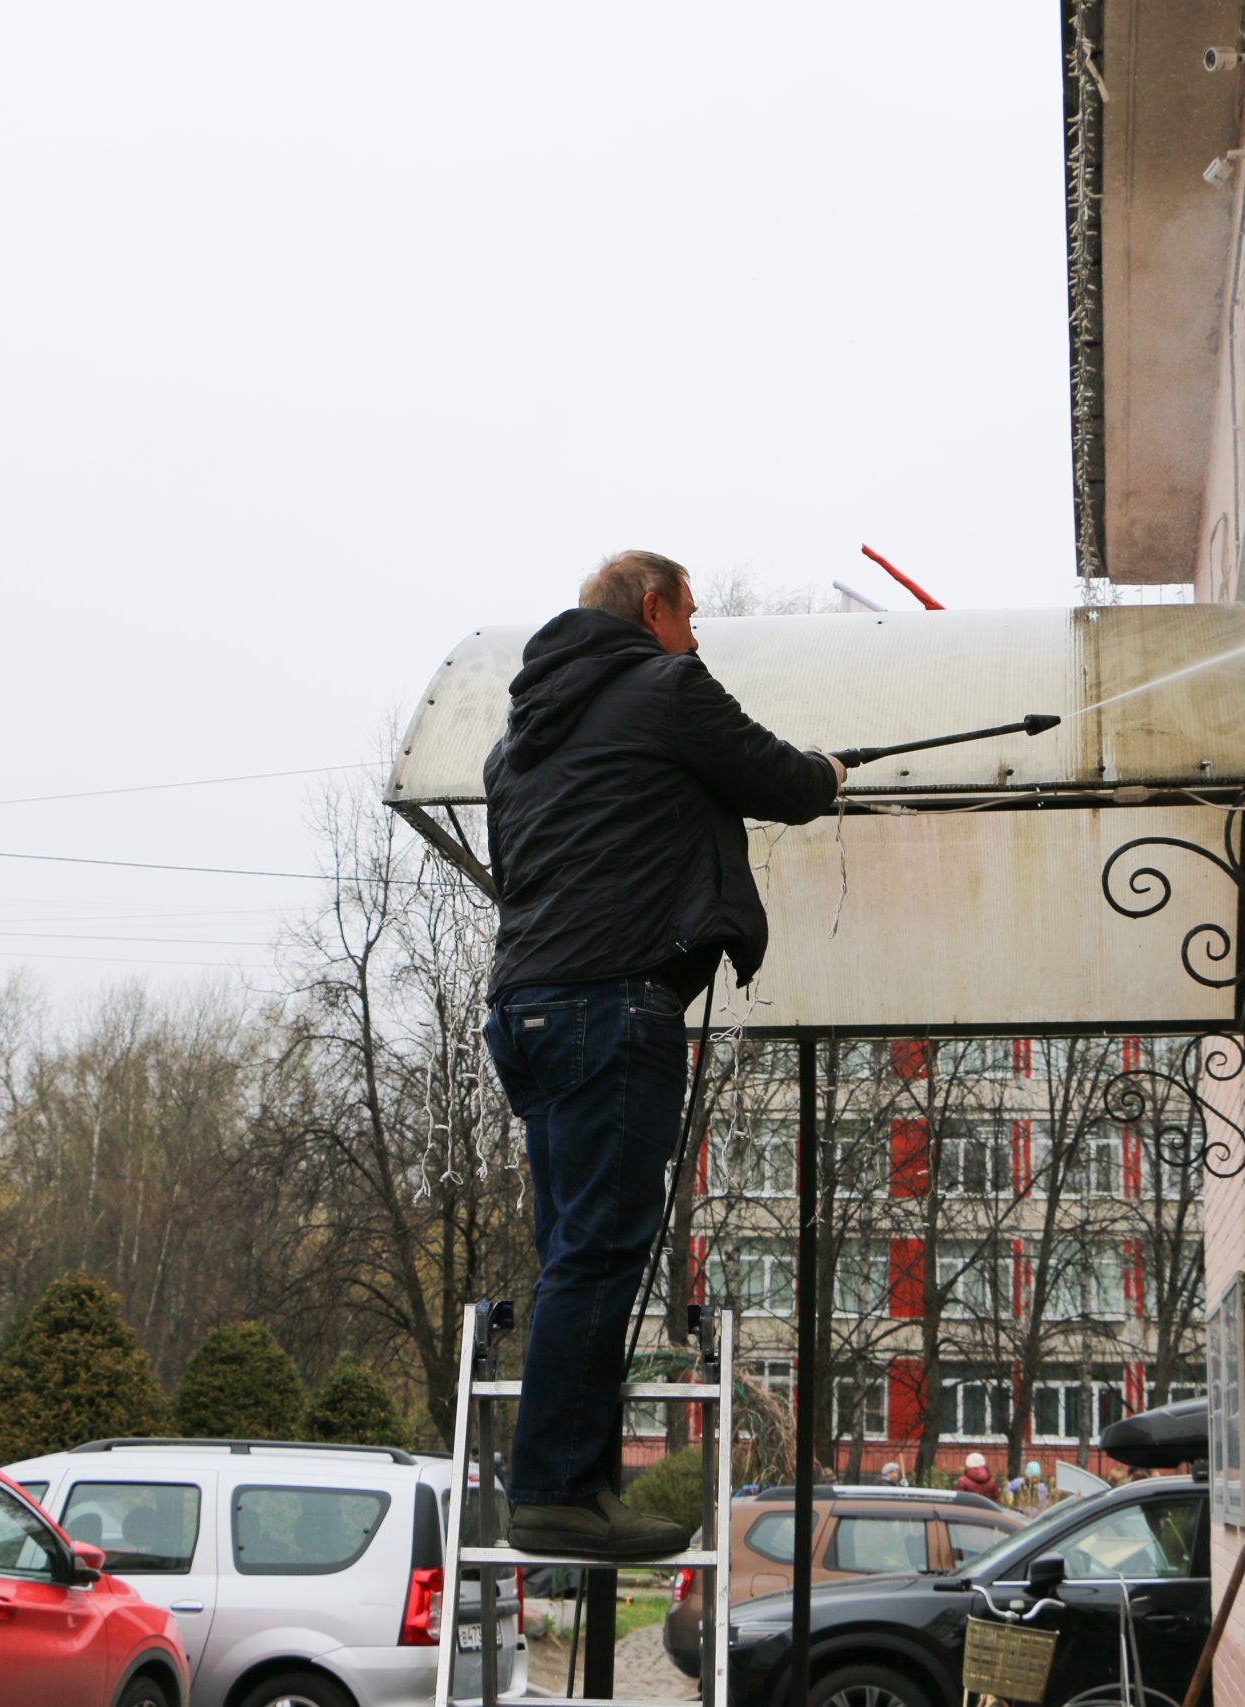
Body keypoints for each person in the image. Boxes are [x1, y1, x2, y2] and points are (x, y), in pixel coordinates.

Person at [482, 550, 843, 1561]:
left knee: (574, 1255)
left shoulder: (515, 745)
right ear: (654, 612)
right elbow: (778, 780)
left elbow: (517, 874)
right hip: (612, 1008)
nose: (698, 637)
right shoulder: (664, 686)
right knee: (599, 1251)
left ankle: (577, 1485)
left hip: (527, 1013)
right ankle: (555, 1490)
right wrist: (827, 772)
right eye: (692, 617)